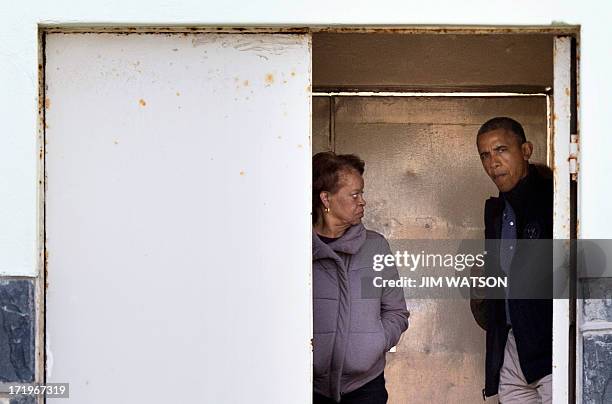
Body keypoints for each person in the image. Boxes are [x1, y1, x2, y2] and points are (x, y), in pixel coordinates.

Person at [312, 152, 409, 404]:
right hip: (309, 387)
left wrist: (374, 342)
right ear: (326, 199)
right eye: (354, 195)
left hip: (366, 388)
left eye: (362, 193)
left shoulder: (376, 246)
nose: (362, 201)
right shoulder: (295, 249)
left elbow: (397, 312)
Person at [471, 117, 553, 403]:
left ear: (526, 150)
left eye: (501, 150)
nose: (492, 162)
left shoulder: (555, 202)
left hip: (553, 346)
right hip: (514, 345)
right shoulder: (497, 211)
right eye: (485, 154)